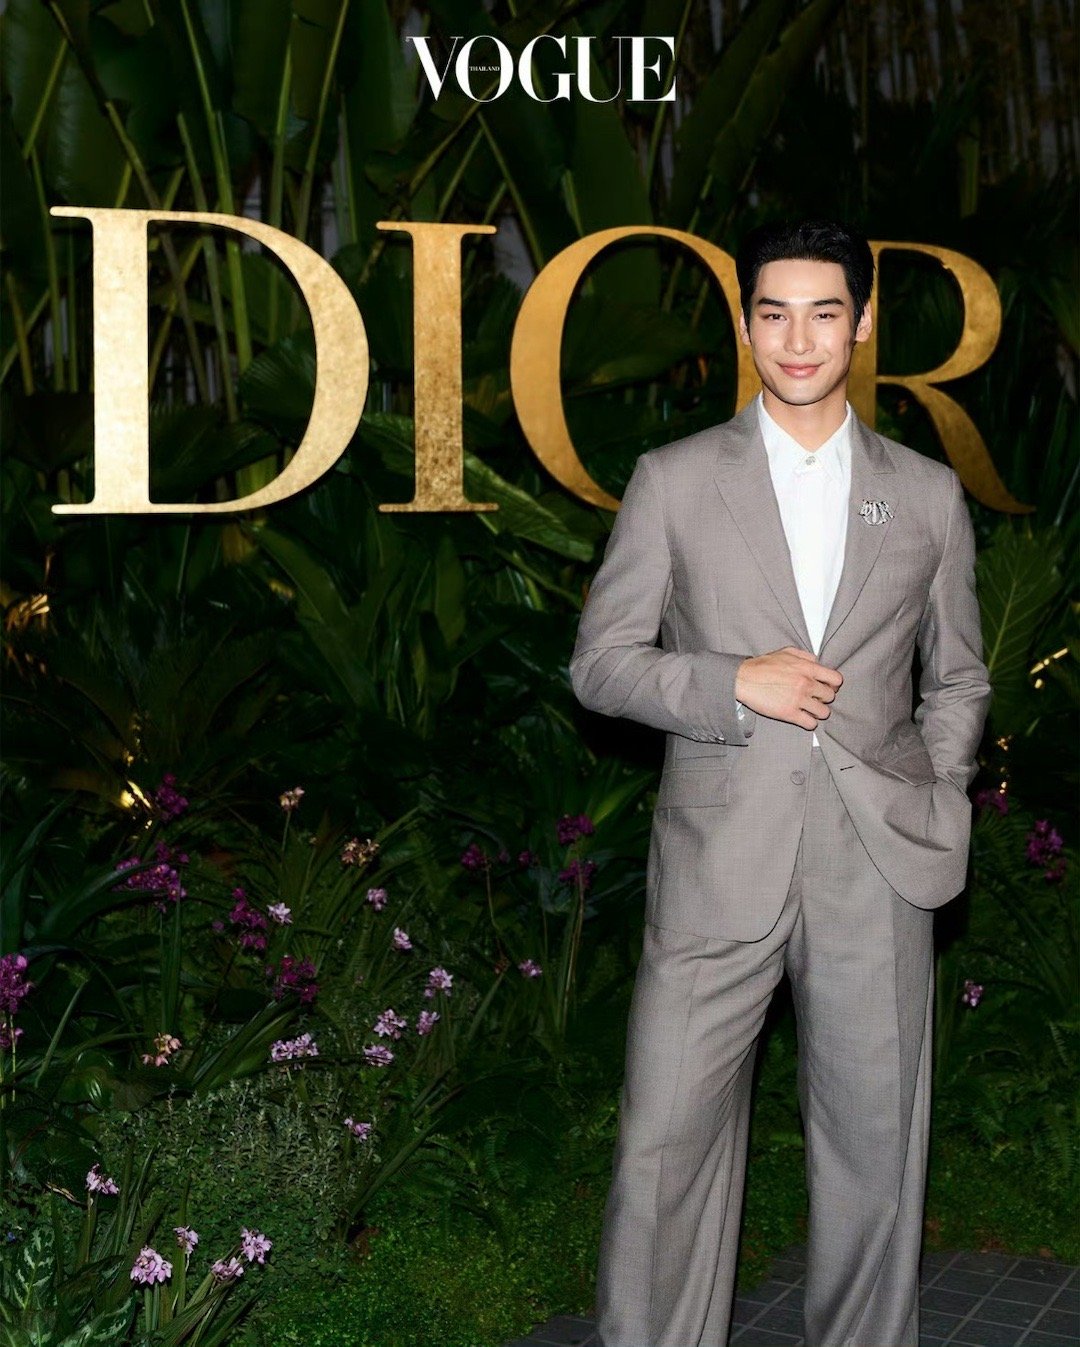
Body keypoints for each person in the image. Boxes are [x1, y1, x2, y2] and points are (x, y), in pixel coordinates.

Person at [568, 218, 991, 1347]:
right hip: (720, 860)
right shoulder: (674, 481)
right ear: (746, 325)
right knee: (663, 1145)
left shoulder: (927, 495)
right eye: (774, 313)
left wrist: (939, 791)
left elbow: (958, 676)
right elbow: (601, 664)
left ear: (862, 324)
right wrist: (729, 682)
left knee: (874, 1158)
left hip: (879, 860)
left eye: (824, 312)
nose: (799, 339)